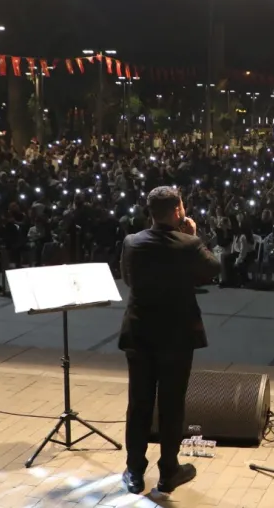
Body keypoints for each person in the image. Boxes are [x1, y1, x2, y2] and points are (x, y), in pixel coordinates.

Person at [118, 186, 221, 496]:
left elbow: (128, 279)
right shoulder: (189, 244)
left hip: (140, 333)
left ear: (151, 211)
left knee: (139, 403)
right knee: (171, 404)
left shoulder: (132, 242)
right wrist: (194, 236)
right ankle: (168, 472)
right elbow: (213, 269)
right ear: (178, 211)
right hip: (176, 336)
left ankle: (135, 471)